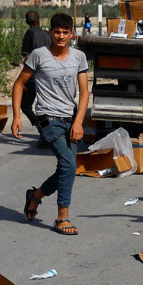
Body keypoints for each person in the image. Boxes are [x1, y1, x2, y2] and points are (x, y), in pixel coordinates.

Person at [12, 13, 89, 235]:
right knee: (69, 166)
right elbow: (19, 84)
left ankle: (35, 196)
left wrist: (79, 122)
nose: (61, 36)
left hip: (70, 119)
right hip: (48, 118)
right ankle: (62, 218)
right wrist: (17, 116)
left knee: (67, 169)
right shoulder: (39, 55)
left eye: (65, 32)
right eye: (57, 32)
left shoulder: (79, 57)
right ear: (50, 32)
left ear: (72, 34)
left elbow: (84, 93)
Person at [19, 11, 53, 148]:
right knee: (46, 107)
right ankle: (49, 133)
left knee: (26, 106)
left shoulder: (29, 35)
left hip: (33, 76)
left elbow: (27, 59)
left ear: (27, 22)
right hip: (48, 76)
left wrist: (24, 80)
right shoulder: (46, 34)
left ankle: (43, 132)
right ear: (39, 20)